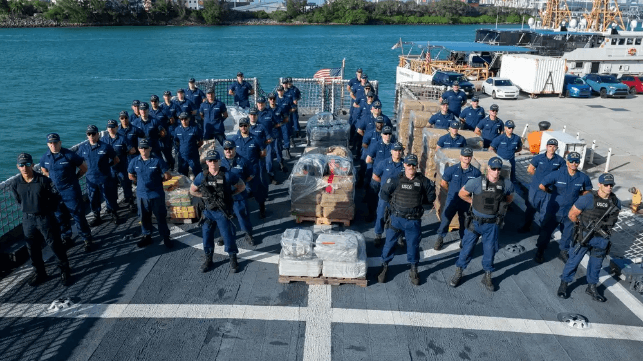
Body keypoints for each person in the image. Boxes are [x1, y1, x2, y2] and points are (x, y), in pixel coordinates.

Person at [449, 157, 514, 291]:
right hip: (475, 222)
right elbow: (462, 193)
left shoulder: (506, 184)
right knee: (467, 249)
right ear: (488, 168)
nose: (496, 172)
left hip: (492, 225)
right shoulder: (476, 182)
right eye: (493, 168)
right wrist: (472, 202)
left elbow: (509, 198)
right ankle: (459, 271)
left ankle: (487, 275)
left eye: (498, 169)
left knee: (490, 251)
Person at [557, 173, 621, 302]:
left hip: (602, 238)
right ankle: (564, 284)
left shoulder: (615, 201)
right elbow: (572, 214)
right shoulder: (588, 198)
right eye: (606, 185)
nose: (609, 187)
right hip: (585, 235)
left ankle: (591, 287)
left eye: (611, 185)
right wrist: (581, 226)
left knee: (596, 264)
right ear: (599, 185)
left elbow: (614, 217)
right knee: (573, 260)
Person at [11, 153, 72, 287]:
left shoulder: (44, 181)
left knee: (55, 244)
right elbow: (18, 200)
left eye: (27, 164)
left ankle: (64, 270)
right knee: (32, 248)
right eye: (21, 165)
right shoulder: (15, 183)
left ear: (32, 165)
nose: (25, 168)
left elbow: (55, 198)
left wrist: (46, 210)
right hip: (28, 219)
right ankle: (40, 272)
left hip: (45, 217)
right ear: (18, 167)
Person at [377, 154, 436, 286]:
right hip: (396, 218)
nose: (411, 167)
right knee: (389, 244)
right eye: (408, 164)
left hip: (413, 221)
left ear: (417, 166)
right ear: (404, 165)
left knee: (413, 246)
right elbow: (384, 194)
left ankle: (414, 268)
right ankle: (384, 265)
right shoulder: (395, 179)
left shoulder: (423, 181)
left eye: (413, 165)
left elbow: (431, 197)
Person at [190, 150, 246, 273]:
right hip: (208, 211)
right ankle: (208, 259)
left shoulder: (227, 175)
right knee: (207, 236)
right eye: (210, 160)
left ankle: (233, 259)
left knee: (227, 236)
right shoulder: (202, 176)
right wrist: (204, 197)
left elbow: (241, 186)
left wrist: (230, 195)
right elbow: (192, 190)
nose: (213, 162)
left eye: (215, 160)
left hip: (222, 212)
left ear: (219, 161)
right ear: (206, 162)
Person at [534, 152, 592, 264]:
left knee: (568, 234)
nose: (574, 164)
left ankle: (563, 252)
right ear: (567, 162)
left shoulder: (583, 177)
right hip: (554, 211)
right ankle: (540, 251)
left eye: (577, 161)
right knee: (546, 232)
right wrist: (551, 192)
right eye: (572, 161)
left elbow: (588, 190)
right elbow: (542, 186)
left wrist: (579, 195)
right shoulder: (557, 174)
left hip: (570, 212)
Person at [40, 133, 93, 252]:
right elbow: (44, 170)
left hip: (71, 190)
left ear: (60, 143)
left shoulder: (69, 155)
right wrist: (52, 179)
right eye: (51, 143)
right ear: (48, 144)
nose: (53, 145)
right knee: (60, 216)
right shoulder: (45, 157)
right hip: (56, 193)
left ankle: (86, 239)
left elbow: (84, 168)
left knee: (78, 215)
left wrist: (75, 178)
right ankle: (67, 237)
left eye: (55, 142)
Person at [127, 138, 174, 249]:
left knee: (160, 216)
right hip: (142, 195)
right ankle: (147, 236)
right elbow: (130, 175)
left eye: (146, 148)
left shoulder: (157, 160)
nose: (144, 150)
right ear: (138, 149)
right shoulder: (134, 161)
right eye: (141, 147)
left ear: (150, 149)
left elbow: (168, 175)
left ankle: (166, 237)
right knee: (143, 217)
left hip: (156, 194)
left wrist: (158, 182)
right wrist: (138, 183)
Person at [434, 148, 482, 250]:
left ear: (471, 158)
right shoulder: (452, 169)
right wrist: (451, 193)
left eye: (469, 156)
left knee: (464, 222)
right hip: (452, 200)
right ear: (460, 157)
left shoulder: (476, 173)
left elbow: (478, 188)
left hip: (465, 203)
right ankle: (440, 238)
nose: (467, 158)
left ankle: (463, 240)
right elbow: (443, 184)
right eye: (465, 156)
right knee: (445, 220)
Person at [517, 138, 564, 233]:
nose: (552, 148)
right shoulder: (538, 158)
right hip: (535, 189)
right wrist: (539, 178)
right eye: (550, 146)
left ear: (556, 148)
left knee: (545, 211)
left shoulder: (560, 160)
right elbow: (530, 169)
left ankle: (541, 230)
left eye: (554, 147)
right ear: (547, 147)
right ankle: (526, 226)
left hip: (548, 190)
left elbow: (563, 174)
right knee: (531, 208)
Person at [78, 124, 120, 226]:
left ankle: (113, 213)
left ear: (98, 134)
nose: (91, 136)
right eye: (89, 134)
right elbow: (78, 162)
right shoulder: (83, 148)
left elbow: (116, 160)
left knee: (109, 197)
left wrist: (108, 167)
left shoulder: (106, 147)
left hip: (104, 177)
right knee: (93, 198)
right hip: (91, 179)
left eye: (93, 134)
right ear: (86, 135)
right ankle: (97, 216)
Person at [221, 139, 256, 245]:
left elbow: (251, 175)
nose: (228, 151)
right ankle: (225, 235)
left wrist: (242, 183)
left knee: (242, 214)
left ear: (235, 149)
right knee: (225, 216)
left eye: (230, 149)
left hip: (239, 194)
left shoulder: (243, 161)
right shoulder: (219, 162)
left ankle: (248, 233)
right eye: (226, 149)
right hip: (224, 195)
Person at [371, 142, 405, 247]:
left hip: (399, 197)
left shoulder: (405, 165)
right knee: (381, 215)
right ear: (391, 151)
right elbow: (375, 176)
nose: (397, 153)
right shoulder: (384, 163)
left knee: (399, 217)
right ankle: (378, 235)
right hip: (385, 196)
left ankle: (399, 237)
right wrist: (384, 185)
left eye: (400, 150)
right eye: (395, 150)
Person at [103, 119, 136, 212]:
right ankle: (113, 204)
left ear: (117, 127)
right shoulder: (103, 140)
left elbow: (132, 150)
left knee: (126, 185)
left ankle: (130, 202)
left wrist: (124, 153)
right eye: (109, 127)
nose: (111, 129)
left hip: (122, 167)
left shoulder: (123, 138)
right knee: (111, 187)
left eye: (113, 127)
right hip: (110, 169)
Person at [117, 110, 145, 210]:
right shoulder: (117, 131)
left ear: (129, 118)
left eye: (126, 118)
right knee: (125, 181)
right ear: (120, 119)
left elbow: (143, 136)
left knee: (138, 178)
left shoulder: (135, 129)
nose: (124, 120)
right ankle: (130, 200)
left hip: (134, 158)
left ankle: (142, 197)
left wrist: (140, 149)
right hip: (123, 160)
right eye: (122, 118)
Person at [173, 112, 203, 177]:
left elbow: (200, 141)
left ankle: (200, 186)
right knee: (182, 174)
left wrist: (194, 148)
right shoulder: (177, 129)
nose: (184, 121)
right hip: (182, 156)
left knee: (197, 172)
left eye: (185, 119)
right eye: (182, 119)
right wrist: (178, 150)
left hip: (193, 155)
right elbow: (176, 141)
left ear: (189, 119)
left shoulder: (194, 128)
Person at [150, 94, 175, 171]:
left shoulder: (164, 110)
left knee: (167, 152)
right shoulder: (149, 112)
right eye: (152, 101)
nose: (154, 103)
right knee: (156, 154)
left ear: (158, 102)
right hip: (154, 137)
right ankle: (161, 168)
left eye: (155, 101)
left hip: (164, 136)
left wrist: (165, 128)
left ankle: (171, 166)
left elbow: (172, 120)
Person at [275, 85, 294, 158]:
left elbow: (292, 108)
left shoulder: (287, 99)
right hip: (276, 120)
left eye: (281, 90)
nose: (280, 92)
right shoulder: (274, 99)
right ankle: (278, 151)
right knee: (277, 136)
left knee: (286, 135)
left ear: (283, 91)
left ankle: (287, 150)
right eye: (279, 90)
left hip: (284, 120)